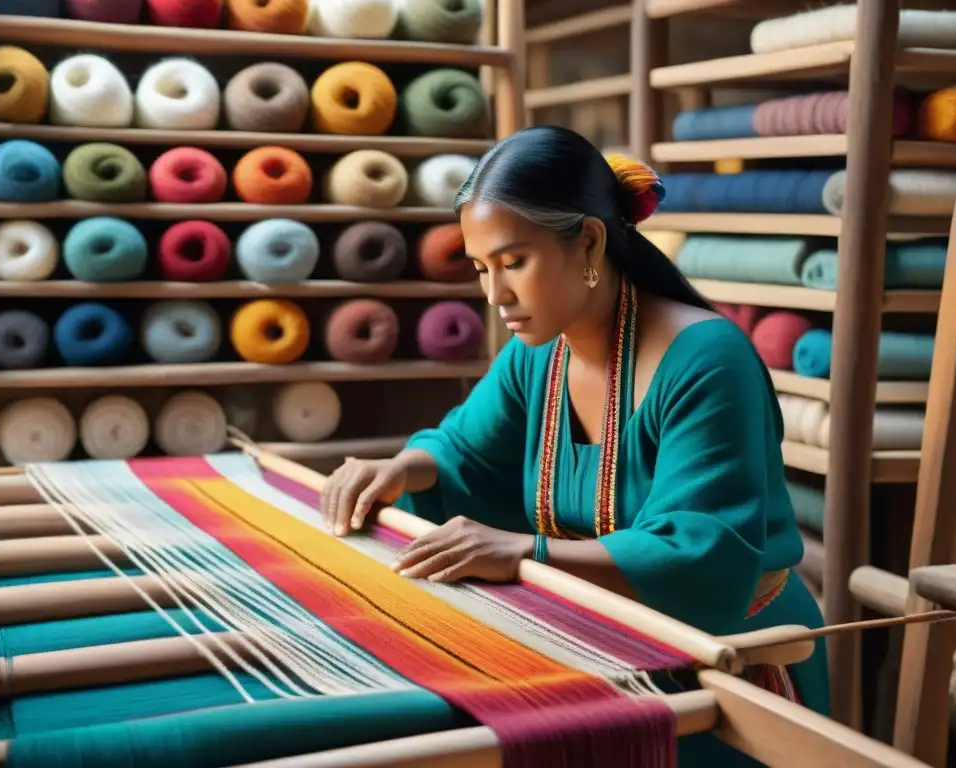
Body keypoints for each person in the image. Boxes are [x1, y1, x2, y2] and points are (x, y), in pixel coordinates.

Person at [319, 124, 829, 766]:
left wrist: (524, 552)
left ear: (587, 240)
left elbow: (700, 551)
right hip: (614, 643)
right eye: (482, 268)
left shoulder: (707, 359)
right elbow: (465, 451)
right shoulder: (540, 355)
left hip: (729, 662)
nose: (494, 295)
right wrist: (398, 468)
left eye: (514, 262)